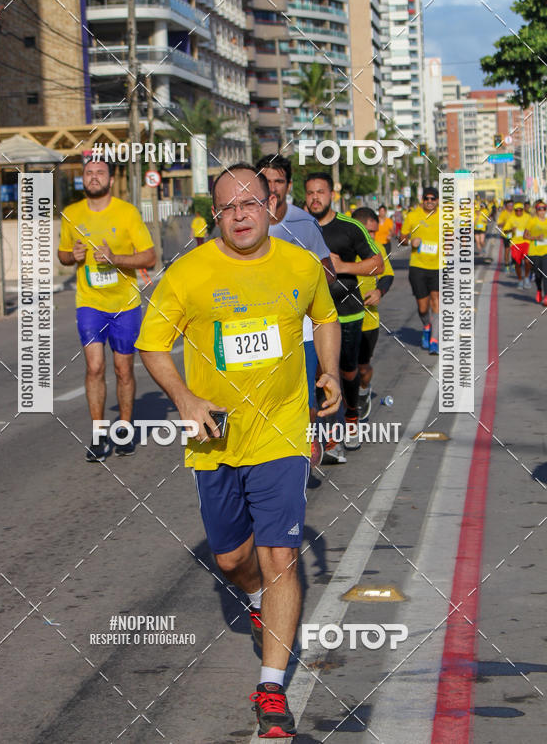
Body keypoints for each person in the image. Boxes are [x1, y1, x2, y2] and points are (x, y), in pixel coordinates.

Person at [136, 163, 341, 739]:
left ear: (270, 206)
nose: (242, 214)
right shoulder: (190, 272)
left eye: (252, 202)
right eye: (229, 206)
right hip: (217, 438)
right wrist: (184, 398)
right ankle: (252, 597)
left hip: (281, 430)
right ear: (216, 215)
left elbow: (324, 315)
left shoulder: (298, 264)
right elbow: (152, 344)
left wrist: (329, 372)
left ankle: (271, 686)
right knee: (232, 559)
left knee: (281, 556)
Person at [57, 157, 156, 461]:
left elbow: (149, 257)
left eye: (100, 172)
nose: (94, 177)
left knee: (123, 369)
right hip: (90, 303)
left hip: (125, 304)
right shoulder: (72, 214)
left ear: (111, 180)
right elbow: (62, 255)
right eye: (88, 173)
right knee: (95, 367)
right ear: (83, 179)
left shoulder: (127, 213)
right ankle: (100, 435)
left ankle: (124, 429)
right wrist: (71, 256)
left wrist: (116, 259)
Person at [255, 154, 336, 468]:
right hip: (256, 328)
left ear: (288, 186)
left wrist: (301, 278)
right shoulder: (243, 219)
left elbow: (328, 271)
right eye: (267, 181)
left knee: (304, 399)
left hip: (300, 330)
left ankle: (305, 447)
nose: (272, 187)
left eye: (278, 181)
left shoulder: (304, 223)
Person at [304, 172, 383, 457]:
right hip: (310, 316)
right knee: (319, 375)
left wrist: (343, 267)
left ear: (331, 195)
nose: (315, 198)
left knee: (347, 373)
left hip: (347, 313)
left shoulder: (350, 228)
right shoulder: (297, 227)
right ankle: (328, 438)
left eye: (320, 192)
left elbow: (378, 264)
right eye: (310, 192)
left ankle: (351, 419)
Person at [352, 207, 394, 421]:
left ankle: (362, 391)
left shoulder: (377, 249)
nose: (372, 238)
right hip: (339, 321)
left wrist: (379, 291)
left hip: (368, 321)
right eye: (368, 233)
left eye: (374, 233)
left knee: (363, 368)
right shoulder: (338, 249)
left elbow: (388, 276)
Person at [400, 186, 440, 354]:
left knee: (436, 301)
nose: (429, 201)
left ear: (437, 200)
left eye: (433, 199)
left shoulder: (445, 216)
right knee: (423, 307)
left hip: (439, 266)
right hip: (418, 266)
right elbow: (402, 238)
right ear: (422, 200)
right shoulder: (413, 216)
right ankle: (426, 326)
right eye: (427, 199)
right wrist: (409, 242)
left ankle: (434, 340)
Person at [504, 202, 531, 288]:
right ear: (514, 211)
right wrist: (511, 230)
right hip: (515, 244)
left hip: (526, 242)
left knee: (527, 261)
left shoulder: (528, 217)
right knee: (518, 264)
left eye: (520, 210)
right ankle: (520, 280)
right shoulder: (511, 219)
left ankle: (526, 278)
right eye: (517, 210)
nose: (519, 212)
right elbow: (505, 231)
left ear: (523, 210)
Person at [525, 200, 547, 304]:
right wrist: (536, 238)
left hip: (545, 252)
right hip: (534, 252)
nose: (542, 211)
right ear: (537, 210)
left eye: (544, 209)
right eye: (539, 209)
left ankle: (546, 296)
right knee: (538, 275)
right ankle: (539, 290)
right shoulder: (532, 221)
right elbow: (525, 236)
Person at [497, 199, 514, 272]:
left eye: (512, 205)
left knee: (514, 250)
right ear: (506, 206)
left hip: (515, 235)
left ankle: (513, 264)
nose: (511, 207)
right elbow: (499, 224)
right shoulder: (503, 213)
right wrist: (506, 223)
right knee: (507, 250)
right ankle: (506, 265)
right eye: (509, 205)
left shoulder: (515, 212)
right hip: (506, 234)